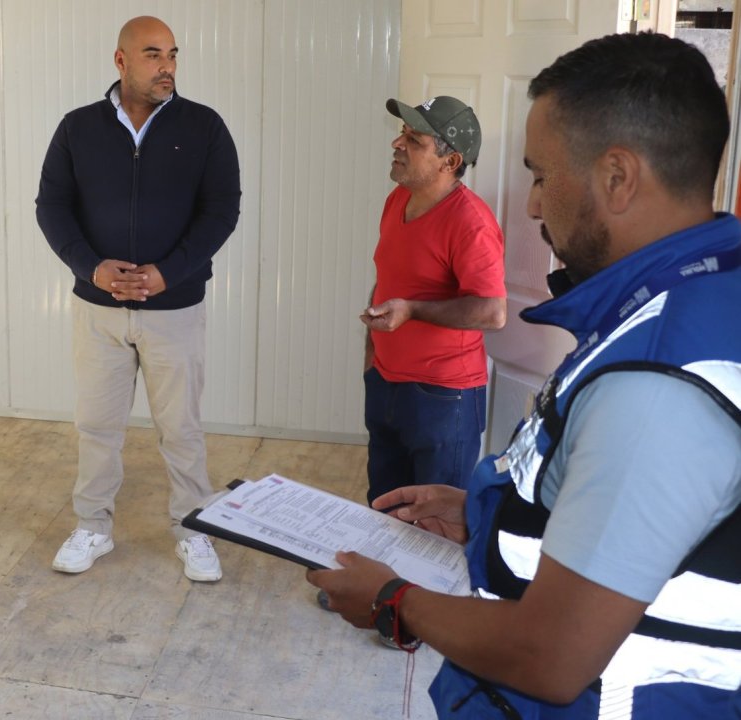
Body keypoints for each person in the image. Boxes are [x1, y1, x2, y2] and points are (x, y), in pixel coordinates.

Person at [309, 32, 741, 718]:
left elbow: (550, 656)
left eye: (542, 176)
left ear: (618, 177)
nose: (534, 205)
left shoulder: (657, 382)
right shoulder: (689, 299)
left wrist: (396, 601)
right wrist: (488, 510)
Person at [36, 16, 241, 581]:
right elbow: (52, 207)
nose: (167, 66)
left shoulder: (204, 127)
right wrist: (92, 268)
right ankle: (93, 527)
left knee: (182, 430)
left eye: (172, 54)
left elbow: (222, 210)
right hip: (97, 310)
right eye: (153, 55)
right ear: (121, 61)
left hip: (174, 310)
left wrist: (168, 274)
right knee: (97, 426)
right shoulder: (78, 128)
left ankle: (193, 531)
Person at [362, 95, 506, 505]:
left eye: (414, 140)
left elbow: (493, 312)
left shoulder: (471, 222)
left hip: (443, 398)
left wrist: (412, 311)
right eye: (402, 133)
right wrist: (372, 359)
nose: (398, 144)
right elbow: (388, 279)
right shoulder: (397, 200)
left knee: (433, 525)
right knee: (384, 509)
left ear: (451, 161)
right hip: (385, 382)